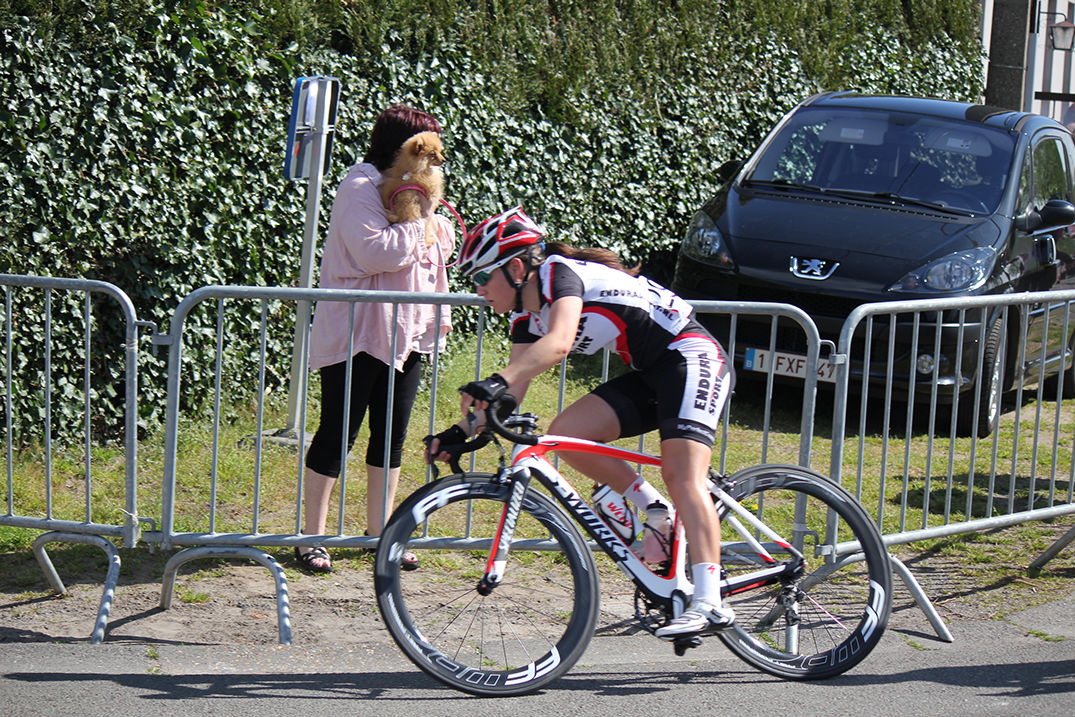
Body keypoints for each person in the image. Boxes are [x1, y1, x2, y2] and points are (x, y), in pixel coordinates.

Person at [426, 207, 736, 638]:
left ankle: (709, 601)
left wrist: (495, 380)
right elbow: (513, 391)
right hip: (653, 371)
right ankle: (656, 510)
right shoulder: (526, 316)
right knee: (565, 435)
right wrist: (461, 431)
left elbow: (558, 344)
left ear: (515, 269)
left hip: (692, 356)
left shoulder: (559, 274)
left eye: (481, 277)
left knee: (683, 475)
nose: (478, 290)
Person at [297, 105, 455, 573]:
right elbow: (374, 251)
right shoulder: (360, 186)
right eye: (425, 147)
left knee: (391, 434)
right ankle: (311, 537)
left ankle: (380, 533)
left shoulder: (420, 185)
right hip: (361, 330)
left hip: (408, 330)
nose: (435, 160)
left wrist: (423, 222)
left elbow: (445, 241)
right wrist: (421, 224)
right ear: (403, 146)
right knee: (338, 431)